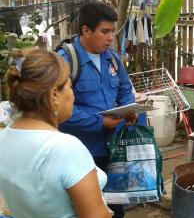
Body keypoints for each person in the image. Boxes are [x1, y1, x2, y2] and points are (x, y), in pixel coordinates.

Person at [57, 1, 145, 217]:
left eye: (113, 32)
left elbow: (125, 90)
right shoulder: (65, 61)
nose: (110, 38)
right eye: (105, 32)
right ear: (86, 30)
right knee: (85, 208)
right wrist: (99, 122)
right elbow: (58, 109)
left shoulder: (112, 59)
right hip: (81, 153)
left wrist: (128, 110)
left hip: (112, 149)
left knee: (116, 204)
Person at [0, 48, 111, 218]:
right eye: (69, 86)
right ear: (54, 95)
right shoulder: (65, 148)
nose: (72, 94)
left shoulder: (5, 137)